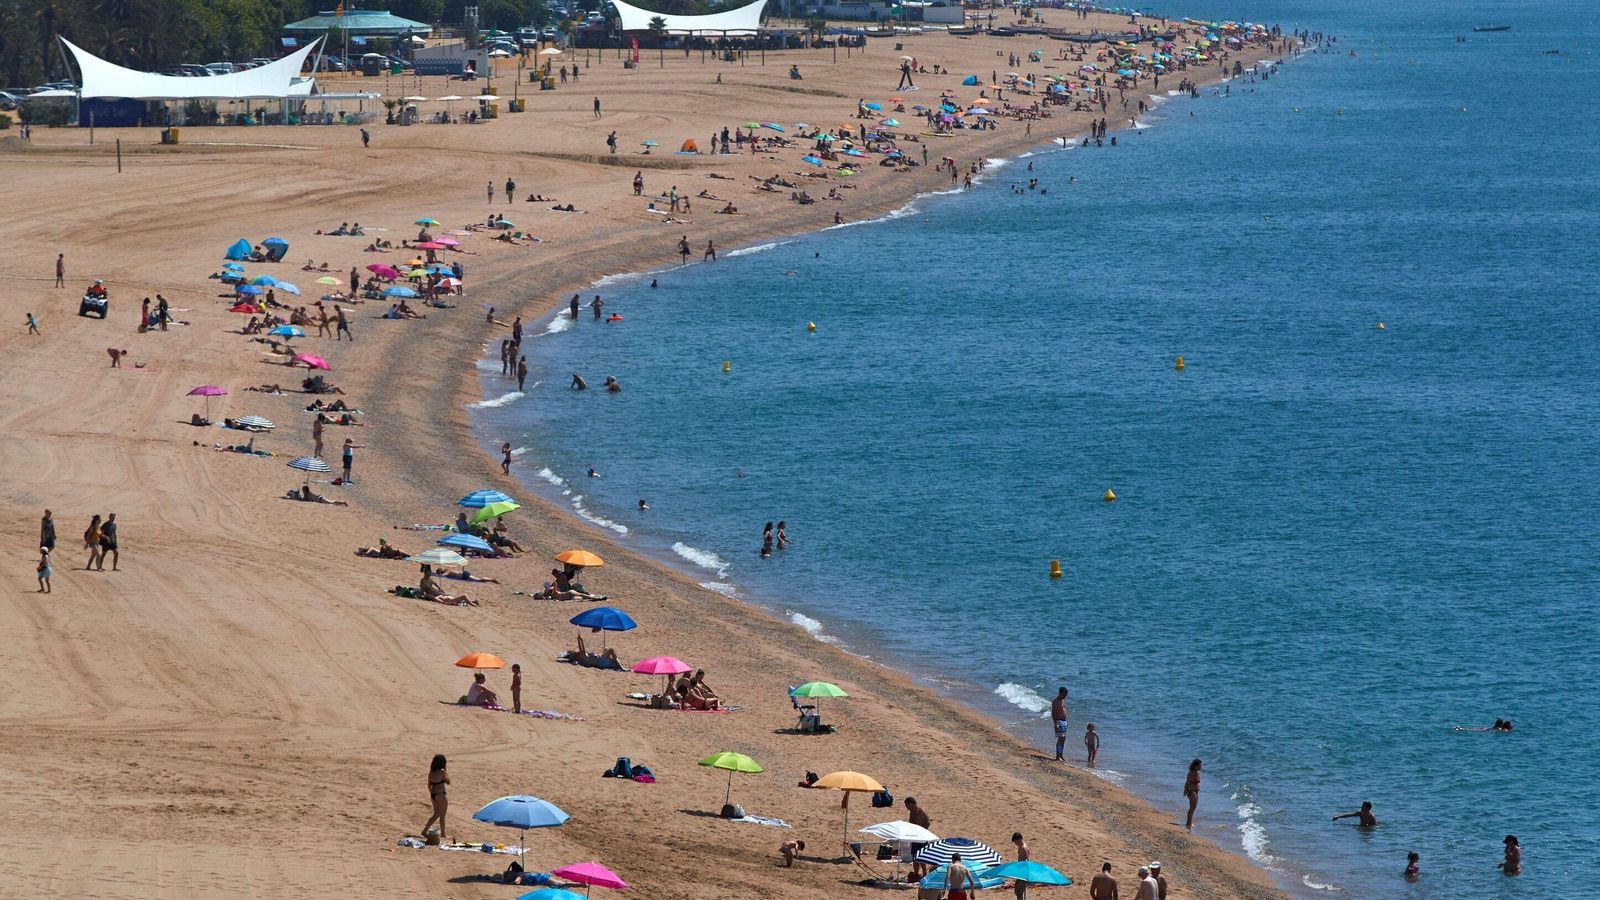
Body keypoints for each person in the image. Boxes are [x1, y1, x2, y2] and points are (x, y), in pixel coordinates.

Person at [422, 755, 450, 843]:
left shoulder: (431, 772)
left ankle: (424, 830)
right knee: (442, 816)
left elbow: (428, 785)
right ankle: (443, 834)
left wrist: (432, 793)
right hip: (441, 794)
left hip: (433, 795)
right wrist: (446, 772)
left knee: (436, 814)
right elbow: (448, 782)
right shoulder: (442, 771)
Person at [1051, 687, 1070, 760]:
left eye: (1066, 694)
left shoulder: (1063, 700)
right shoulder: (1055, 702)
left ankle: (1061, 755)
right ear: (1060, 693)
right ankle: (1057, 756)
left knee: (1063, 739)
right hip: (1059, 721)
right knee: (1060, 739)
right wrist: (1056, 724)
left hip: (1064, 722)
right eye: (1064, 694)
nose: (1065, 696)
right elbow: (1053, 713)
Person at [1010, 833, 1030, 899]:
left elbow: (1026, 860)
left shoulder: (1023, 848)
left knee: (1019, 891)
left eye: (1016, 842)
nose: (1015, 843)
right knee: (1017, 889)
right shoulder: (1023, 846)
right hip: (1021, 871)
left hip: (1023, 871)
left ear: (1020, 839)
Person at [1183, 759, 1202, 829]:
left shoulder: (1197, 773)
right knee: (1192, 807)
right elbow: (1187, 783)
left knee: (1194, 807)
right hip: (1191, 791)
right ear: (1196, 766)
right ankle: (1188, 823)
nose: (1201, 766)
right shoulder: (1192, 773)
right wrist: (1185, 790)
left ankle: (1189, 822)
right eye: (1200, 765)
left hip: (1195, 790)